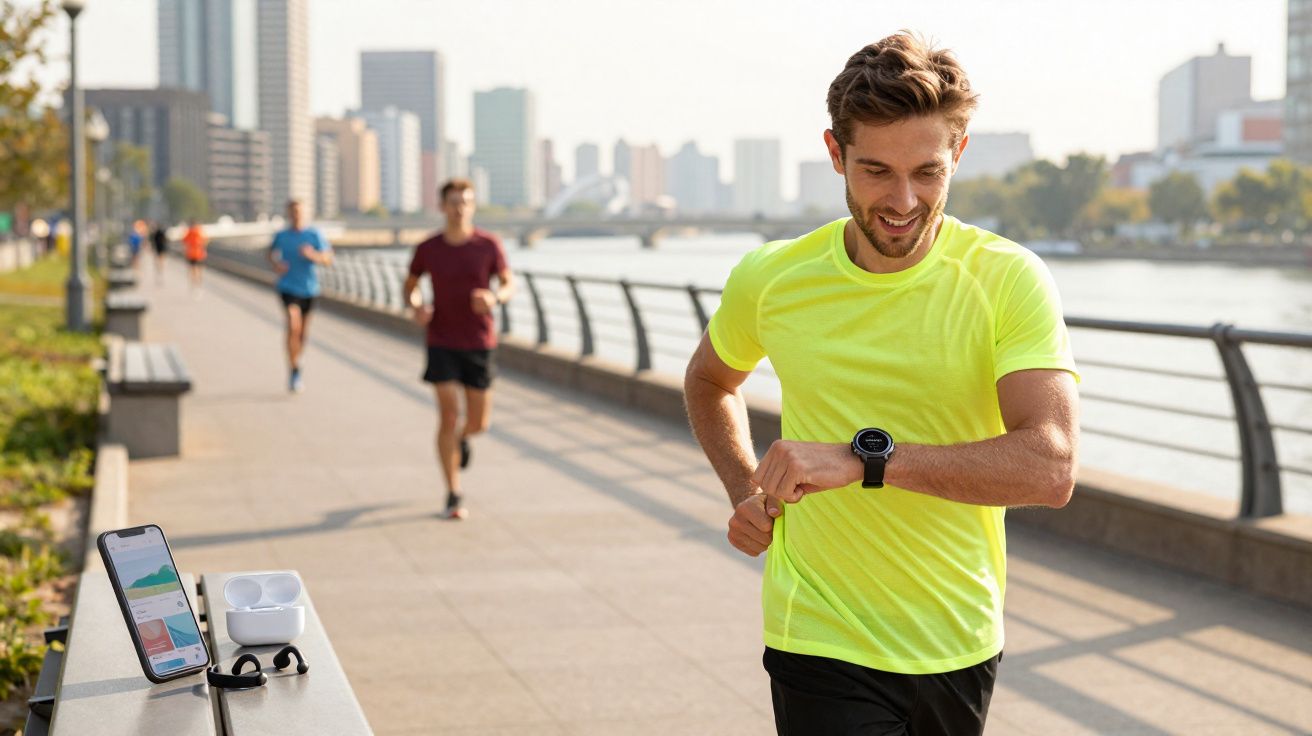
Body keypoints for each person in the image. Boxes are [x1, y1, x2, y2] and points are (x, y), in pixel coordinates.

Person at [683, 33, 1080, 736]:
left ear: (958, 155)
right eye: (875, 171)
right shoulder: (774, 278)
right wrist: (745, 486)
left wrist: (867, 460)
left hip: (956, 635)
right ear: (835, 155)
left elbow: (1050, 467)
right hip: (818, 631)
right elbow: (711, 378)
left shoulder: (1008, 279)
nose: (902, 201)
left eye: (927, 172)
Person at [401, 179, 514, 520]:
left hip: (479, 342)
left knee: (478, 423)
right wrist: (417, 306)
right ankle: (453, 492)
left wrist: (494, 297)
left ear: (472, 206)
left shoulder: (488, 245)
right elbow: (411, 285)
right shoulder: (428, 248)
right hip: (441, 340)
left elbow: (509, 283)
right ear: (442, 206)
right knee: (449, 414)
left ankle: (464, 439)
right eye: (453, 201)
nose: (459, 207)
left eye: (465, 201)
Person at [267, 200, 333, 393]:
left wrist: (313, 255)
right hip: (287, 287)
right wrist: (276, 265)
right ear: (288, 213)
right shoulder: (281, 236)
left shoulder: (314, 235)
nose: (296, 215)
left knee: (302, 333)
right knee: (292, 324)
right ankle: (294, 369)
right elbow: (270, 253)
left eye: (299, 212)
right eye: (293, 212)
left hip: (309, 289)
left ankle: (296, 361)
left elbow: (328, 258)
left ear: (304, 213)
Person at [182, 220, 207, 291]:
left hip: (191, 254)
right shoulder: (200, 231)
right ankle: (198, 285)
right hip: (199, 254)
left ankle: (193, 285)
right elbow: (205, 241)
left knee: (193, 270)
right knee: (198, 270)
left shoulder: (189, 232)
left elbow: (184, 241)